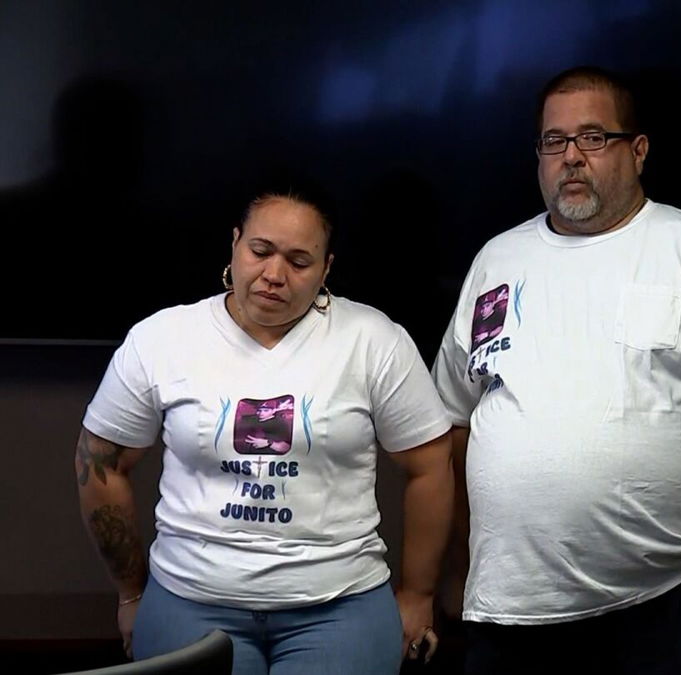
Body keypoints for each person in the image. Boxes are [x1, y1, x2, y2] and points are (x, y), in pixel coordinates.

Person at [431, 66, 681, 674]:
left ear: (637, 151)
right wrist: (456, 563)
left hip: (671, 598)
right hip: (510, 608)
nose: (572, 157)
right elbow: (452, 420)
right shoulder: (496, 261)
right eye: (554, 141)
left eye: (593, 137)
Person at [75, 190, 455, 674]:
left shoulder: (373, 340)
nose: (275, 275)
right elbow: (98, 465)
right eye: (260, 251)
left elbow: (430, 466)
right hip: (191, 596)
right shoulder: (161, 338)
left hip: (339, 601)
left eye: (299, 261)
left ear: (326, 268)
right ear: (234, 245)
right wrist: (131, 592)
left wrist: (419, 595)